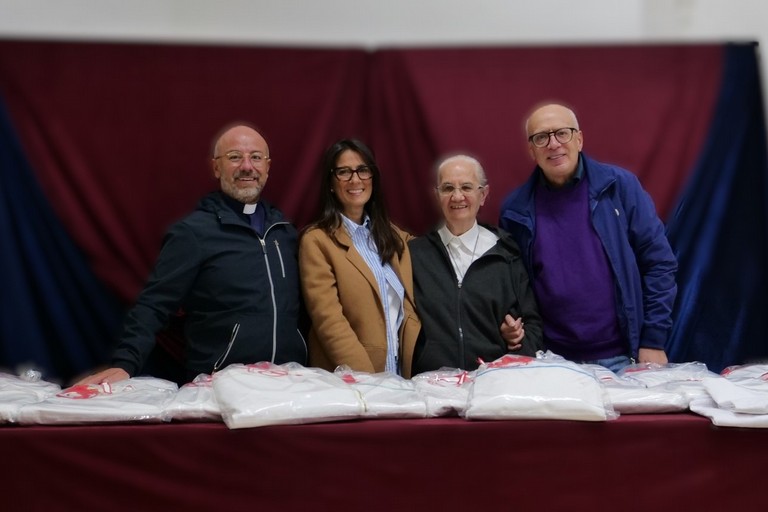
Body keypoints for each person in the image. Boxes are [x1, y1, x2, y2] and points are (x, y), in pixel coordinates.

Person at [76, 123, 307, 385]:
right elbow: (154, 304)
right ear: (216, 167)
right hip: (220, 386)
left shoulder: (286, 234)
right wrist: (126, 363)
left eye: (256, 157)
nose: (247, 166)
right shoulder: (193, 233)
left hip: (290, 383)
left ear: (267, 167)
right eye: (234, 157)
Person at [498, 103, 678, 372]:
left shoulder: (619, 188)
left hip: (625, 357)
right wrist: (513, 329)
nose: (553, 144)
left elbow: (659, 264)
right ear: (531, 150)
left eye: (562, 133)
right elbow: (515, 289)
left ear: (579, 139)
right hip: (551, 362)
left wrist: (653, 339)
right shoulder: (515, 210)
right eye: (541, 137)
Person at [409, 154, 543, 375]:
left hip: (493, 387)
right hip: (433, 386)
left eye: (467, 187)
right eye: (448, 188)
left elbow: (533, 326)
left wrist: (516, 346)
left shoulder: (507, 254)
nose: (457, 196)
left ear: (483, 195)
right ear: (437, 195)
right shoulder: (415, 256)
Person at [299, 139, 421, 377]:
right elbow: (330, 323)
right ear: (331, 183)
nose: (355, 180)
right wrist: (368, 381)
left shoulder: (394, 237)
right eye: (344, 172)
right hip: (351, 382)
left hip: (400, 378)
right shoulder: (317, 241)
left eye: (363, 170)